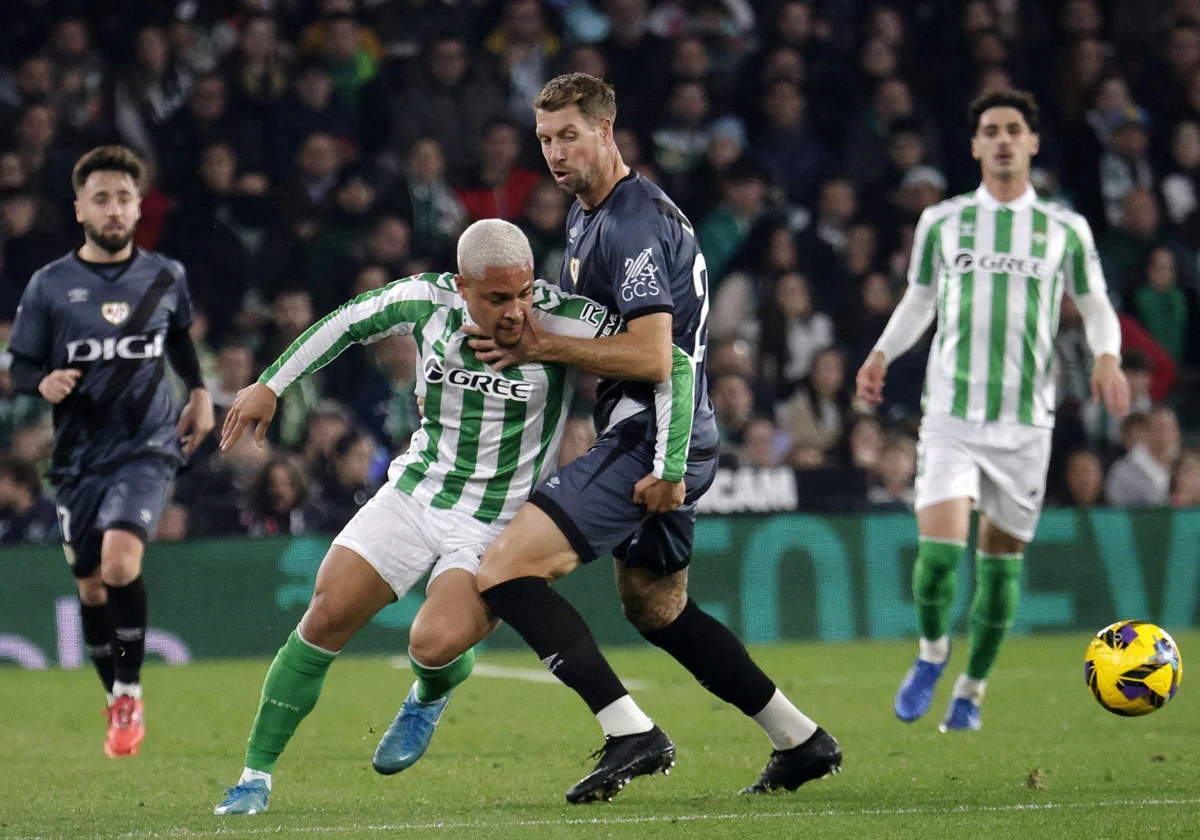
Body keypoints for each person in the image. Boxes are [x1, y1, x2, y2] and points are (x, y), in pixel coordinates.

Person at [465, 73, 841, 804]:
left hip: (655, 432)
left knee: (504, 570)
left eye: (568, 135)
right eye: (543, 139)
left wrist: (543, 348)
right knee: (656, 607)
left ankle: (630, 731)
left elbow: (651, 355)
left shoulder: (631, 222)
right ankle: (800, 740)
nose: (554, 152)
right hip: (659, 429)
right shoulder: (589, 214)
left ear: (608, 131)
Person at [212, 219, 626, 816]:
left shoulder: (564, 318)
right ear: (462, 286)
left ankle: (429, 693)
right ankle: (254, 777)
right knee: (325, 616)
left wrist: (556, 350)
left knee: (431, 644)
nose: (515, 311)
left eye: (524, 292)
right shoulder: (424, 299)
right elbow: (348, 321)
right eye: (497, 298)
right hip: (418, 492)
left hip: (500, 524)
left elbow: (655, 355)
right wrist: (272, 384)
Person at [855, 90, 1130, 732]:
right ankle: (931, 652)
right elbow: (919, 300)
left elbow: (1093, 306)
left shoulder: (1065, 228)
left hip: (1026, 424)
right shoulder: (943, 222)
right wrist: (881, 353)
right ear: (975, 145)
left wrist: (1108, 356)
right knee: (940, 560)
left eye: (1014, 130)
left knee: (1000, 571)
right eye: (990, 130)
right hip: (951, 415)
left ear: (1032, 143)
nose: (1003, 139)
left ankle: (971, 691)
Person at [6, 145, 214, 757]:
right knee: (92, 586)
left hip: (146, 447)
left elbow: (178, 342)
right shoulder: (50, 285)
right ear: (80, 208)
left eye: (124, 197)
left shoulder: (166, 275)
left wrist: (199, 391)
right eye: (101, 197)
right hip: (75, 462)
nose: (115, 208)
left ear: (139, 204)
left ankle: (129, 689)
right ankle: (116, 697)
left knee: (121, 565)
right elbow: (18, 366)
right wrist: (39, 382)